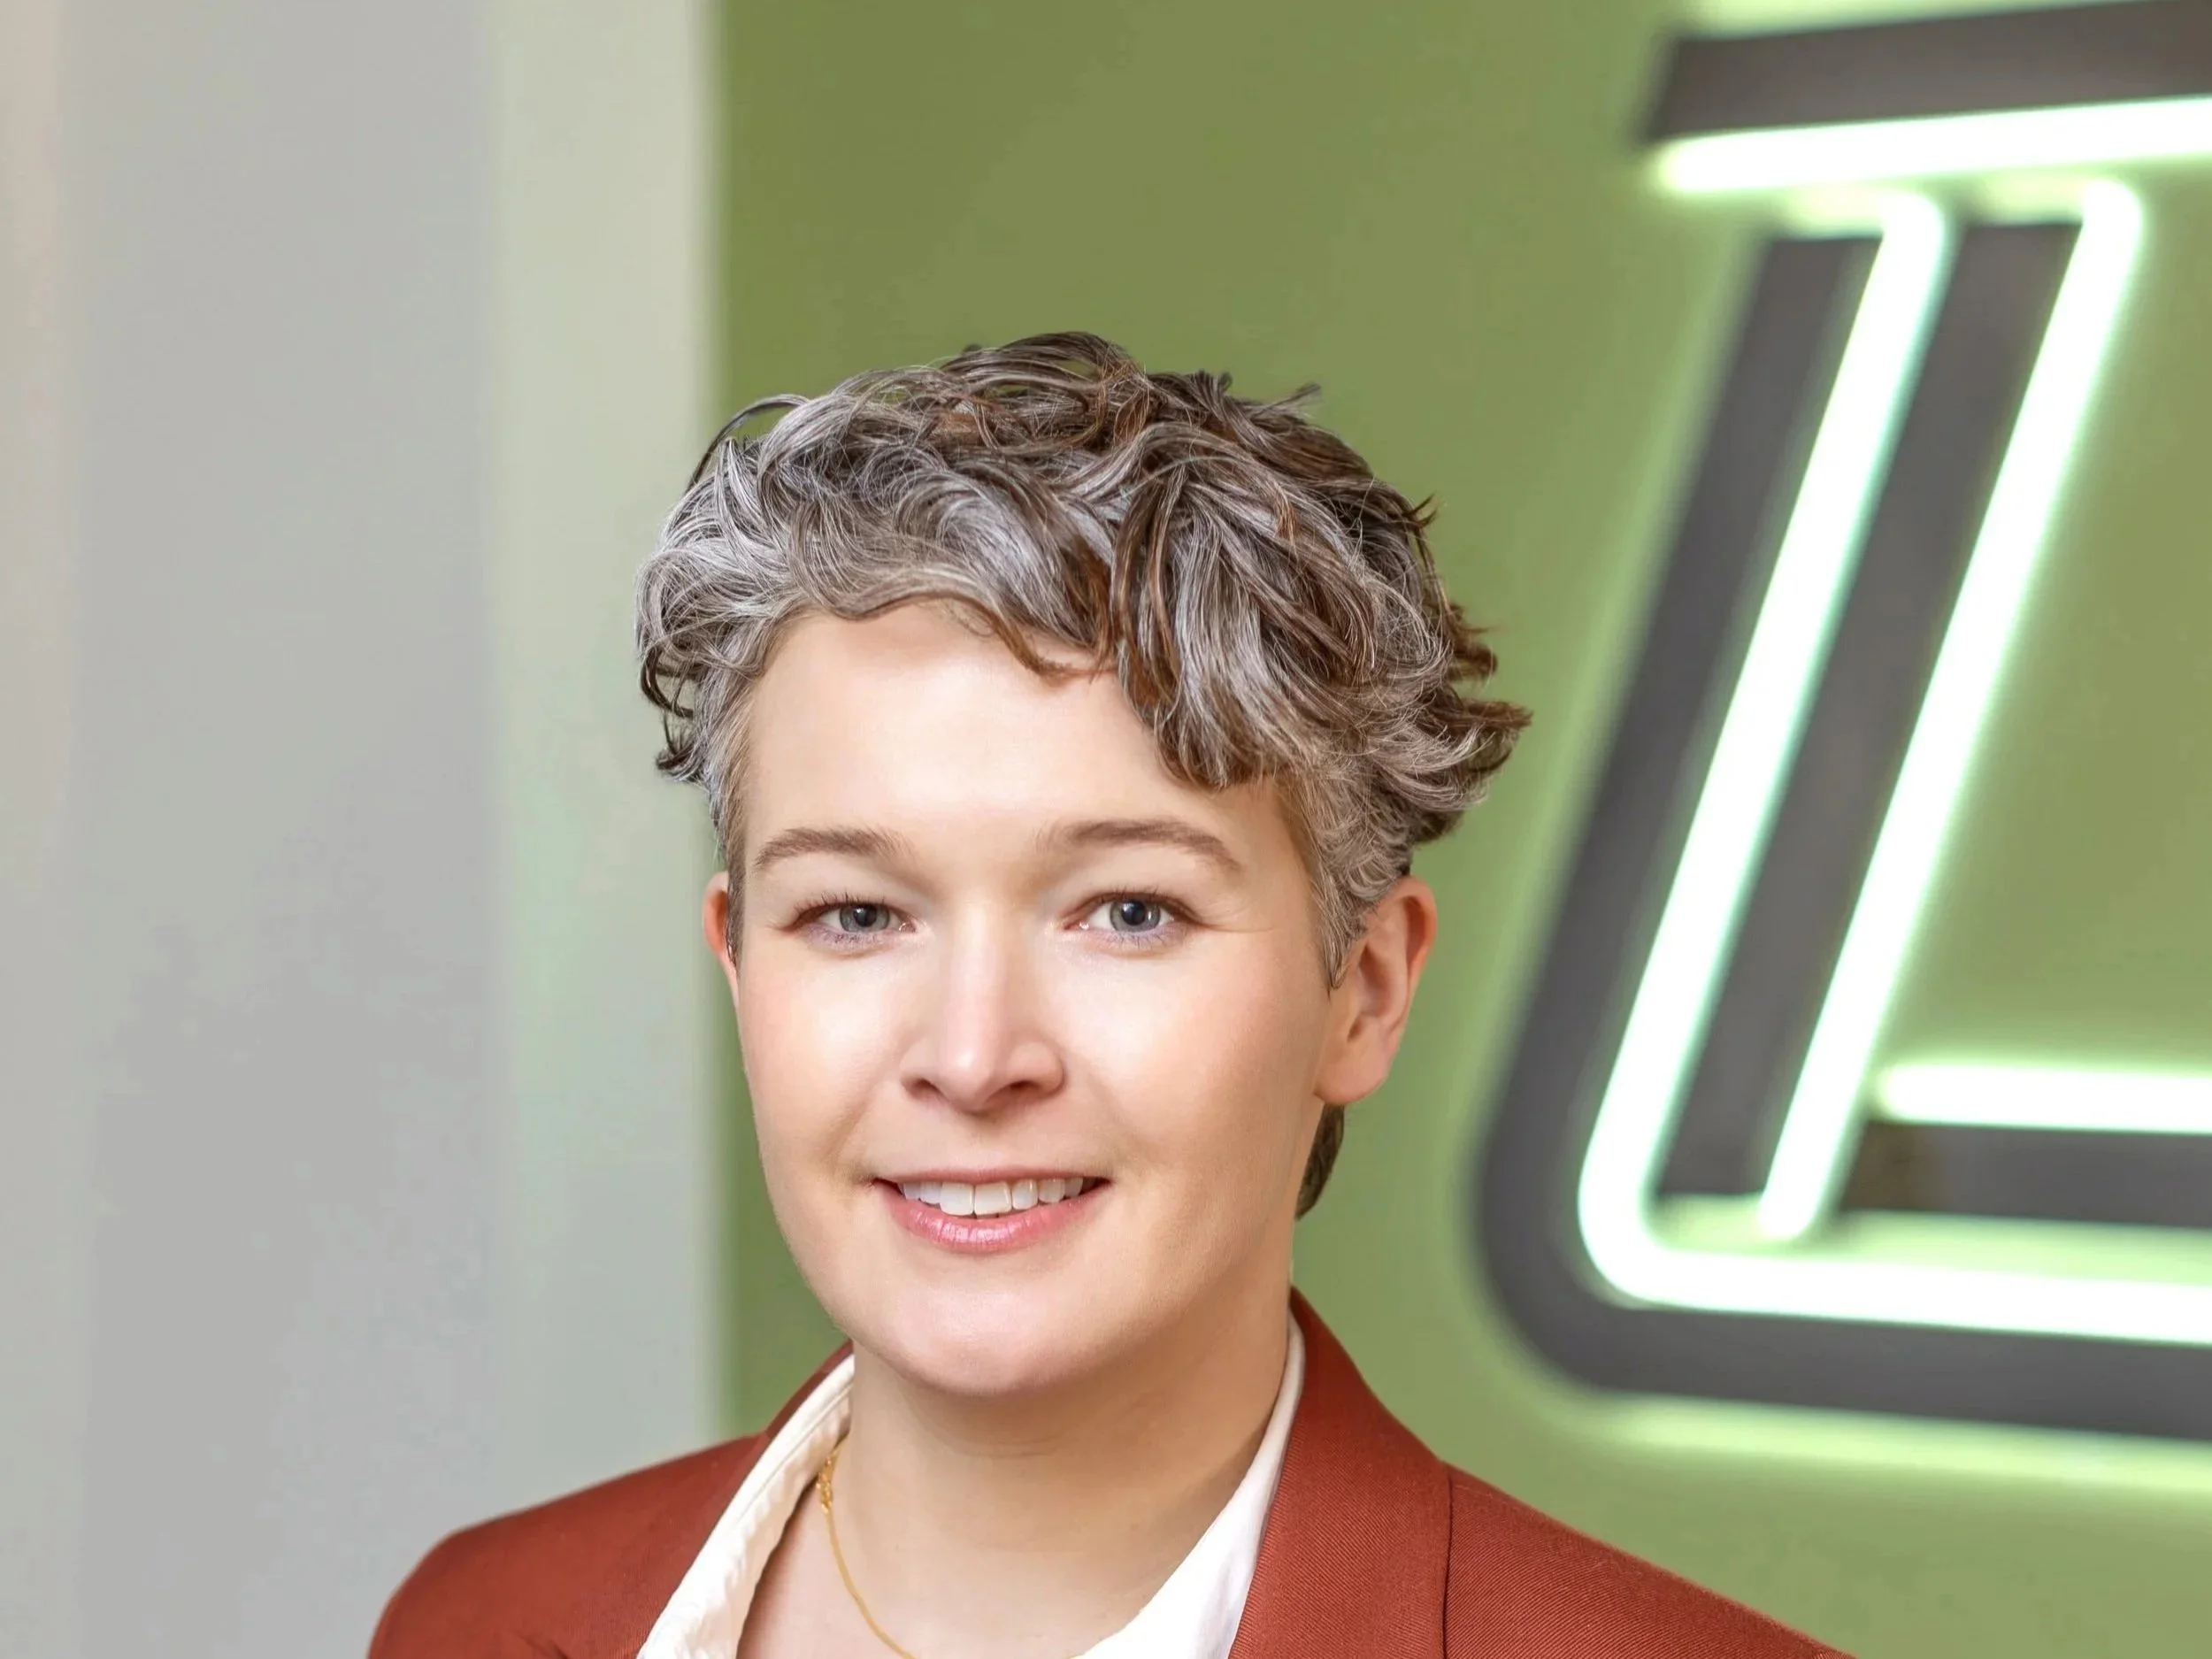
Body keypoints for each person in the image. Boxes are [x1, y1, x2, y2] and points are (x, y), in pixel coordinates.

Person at [370, 333, 1842, 1657]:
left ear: (1364, 988)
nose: (973, 1055)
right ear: (739, 965)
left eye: (1130, 911)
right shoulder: (482, 1624)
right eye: (856, 913)